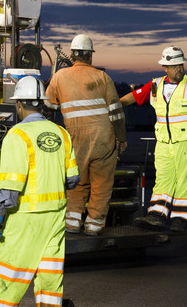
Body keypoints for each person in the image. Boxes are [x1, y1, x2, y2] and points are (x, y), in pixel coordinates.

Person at [0, 76, 80, 307]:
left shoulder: (17, 135)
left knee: (8, 280)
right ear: (42, 103)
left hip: (25, 219)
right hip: (55, 218)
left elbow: (11, 190)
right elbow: (73, 179)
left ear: (19, 105)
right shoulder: (62, 134)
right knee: (49, 279)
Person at [120, 45, 187, 232]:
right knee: (163, 179)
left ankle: (179, 219)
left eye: (181, 65)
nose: (179, 69)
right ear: (165, 67)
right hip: (163, 143)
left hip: (186, 142)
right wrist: (112, 104)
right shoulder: (156, 85)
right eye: (175, 66)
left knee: (184, 180)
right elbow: (131, 98)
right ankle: (156, 215)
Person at [45, 34, 127, 236]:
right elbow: (117, 113)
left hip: (76, 139)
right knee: (102, 182)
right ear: (90, 55)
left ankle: (72, 222)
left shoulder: (59, 77)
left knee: (77, 180)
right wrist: (122, 139)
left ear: (72, 55)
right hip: (103, 138)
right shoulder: (103, 77)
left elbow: (48, 104)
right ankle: (94, 224)